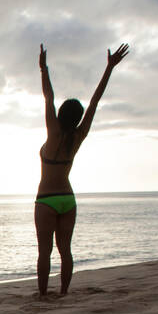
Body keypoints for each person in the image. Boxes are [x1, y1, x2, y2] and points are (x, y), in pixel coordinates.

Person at [35, 42, 130, 296]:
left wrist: (44, 69)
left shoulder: (53, 132)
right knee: (65, 251)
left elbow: (48, 97)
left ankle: (43, 295)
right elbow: (95, 101)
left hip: (46, 200)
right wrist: (109, 68)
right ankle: (64, 293)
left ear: (61, 115)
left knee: (44, 251)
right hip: (68, 199)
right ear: (76, 119)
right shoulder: (79, 136)